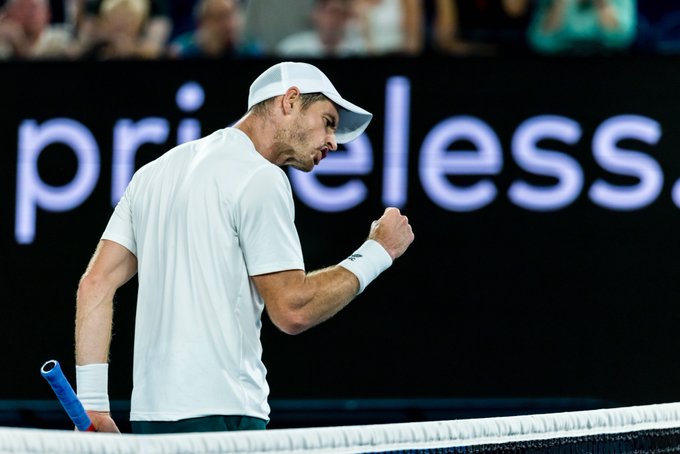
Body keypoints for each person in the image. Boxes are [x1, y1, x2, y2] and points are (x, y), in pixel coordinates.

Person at [74, 61, 415, 434]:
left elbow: (95, 284)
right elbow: (292, 310)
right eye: (328, 122)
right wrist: (378, 252)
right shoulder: (261, 177)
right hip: (224, 417)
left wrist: (92, 406)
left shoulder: (153, 173)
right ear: (290, 100)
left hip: (151, 419)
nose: (333, 141)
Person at [527, 0, 637, 55]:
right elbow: (540, 40)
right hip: (557, 72)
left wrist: (601, 3)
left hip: (608, 72)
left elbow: (622, 38)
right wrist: (560, 4)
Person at [168, 0, 262, 59]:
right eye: (221, 17)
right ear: (203, 22)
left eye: (232, 15)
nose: (229, 24)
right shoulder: (184, 51)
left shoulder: (250, 51)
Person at [275, 0, 367, 58]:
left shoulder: (359, 50)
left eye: (339, 13)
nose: (333, 19)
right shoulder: (291, 49)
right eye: (328, 12)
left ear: (346, 18)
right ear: (315, 15)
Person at [0, 0, 76, 59]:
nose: (29, 13)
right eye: (22, 8)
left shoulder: (60, 39)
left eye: (34, 7)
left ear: (48, 14)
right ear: (9, 14)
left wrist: (20, 45)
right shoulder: (4, 41)